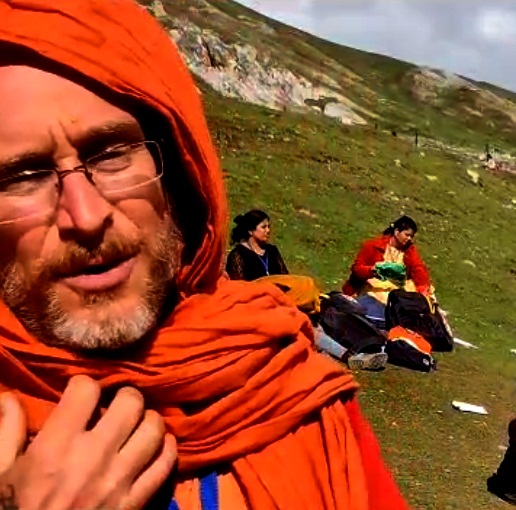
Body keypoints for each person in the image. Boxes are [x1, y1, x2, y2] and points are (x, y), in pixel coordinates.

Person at [0, 2, 407, 509]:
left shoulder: (283, 380)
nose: (85, 216)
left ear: (178, 174)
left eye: (111, 155)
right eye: (23, 177)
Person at [342, 215, 433, 306]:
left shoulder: (410, 251)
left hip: (398, 289)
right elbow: (357, 269)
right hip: (373, 286)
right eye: (407, 235)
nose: (409, 239)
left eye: (411, 236)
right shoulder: (373, 245)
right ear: (396, 231)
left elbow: (418, 269)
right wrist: (373, 270)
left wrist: (422, 289)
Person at [225, 209, 289, 281]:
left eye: (268, 227)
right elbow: (239, 286)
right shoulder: (238, 255)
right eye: (263, 227)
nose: (268, 230)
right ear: (250, 231)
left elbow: (286, 279)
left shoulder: (272, 251)